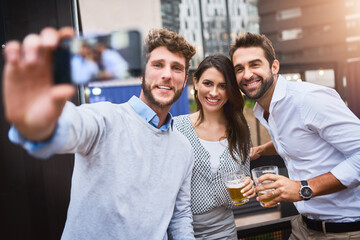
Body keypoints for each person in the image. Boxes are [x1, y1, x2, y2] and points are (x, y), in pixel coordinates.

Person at [3, 27, 197, 240]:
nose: (167, 74)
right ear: (142, 72)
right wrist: (40, 123)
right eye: (158, 65)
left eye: (176, 68)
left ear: (185, 79)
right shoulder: (106, 119)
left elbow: (180, 216)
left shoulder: (184, 149)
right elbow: (71, 126)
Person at [229, 32, 360, 239]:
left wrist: (302, 188)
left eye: (255, 64)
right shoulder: (267, 107)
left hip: (345, 229)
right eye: (239, 69)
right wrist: (261, 150)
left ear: (274, 67)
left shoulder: (308, 99)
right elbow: (294, 137)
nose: (246, 75)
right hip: (303, 227)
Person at [174, 54, 255, 240]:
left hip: (225, 231)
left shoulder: (242, 131)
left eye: (223, 86)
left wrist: (248, 186)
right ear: (196, 83)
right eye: (208, 83)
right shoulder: (176, 128)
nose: (214, 93)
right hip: (181, 230)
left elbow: (243, 177)